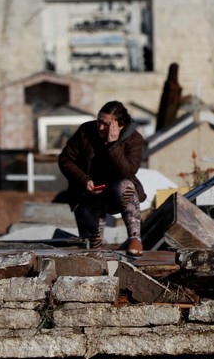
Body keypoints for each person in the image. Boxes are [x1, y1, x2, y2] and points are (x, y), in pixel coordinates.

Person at [58, 100, 147, 254]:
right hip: (87, 194)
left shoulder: (134, 139)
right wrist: (84, 180)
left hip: (116, 191)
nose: (100, 127)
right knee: (92, 248)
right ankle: (97, 251)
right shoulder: (86, 130)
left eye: (106, 124)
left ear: (120, 125)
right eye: (99, 121)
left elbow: (127, 172)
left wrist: (113, 144)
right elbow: (65, 159)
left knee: (126, 186)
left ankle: (135, 239)